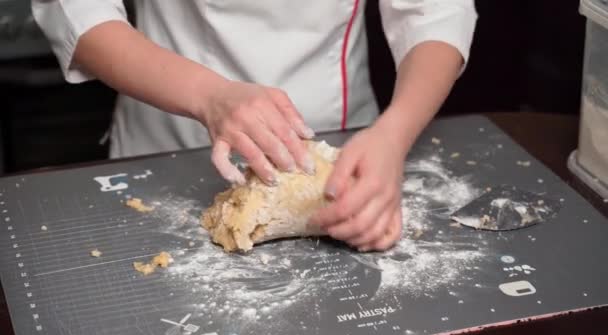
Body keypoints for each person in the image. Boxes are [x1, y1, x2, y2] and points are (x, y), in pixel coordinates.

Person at [32, 1, 477, 252]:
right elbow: (79, 12)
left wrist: (394, 134)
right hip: (166, 136)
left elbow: (434, 12)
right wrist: (209, 95)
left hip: (338, 146)